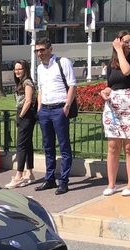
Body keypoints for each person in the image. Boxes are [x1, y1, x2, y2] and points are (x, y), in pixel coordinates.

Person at [99, 30, 130, 197]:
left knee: (129, 146)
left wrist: (119, 50)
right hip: (113, 106)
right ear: (118, 42)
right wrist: (105, 91)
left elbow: (126, 72)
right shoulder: (111, 64)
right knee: (113, 146)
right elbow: (111, 84)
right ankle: (111, 184)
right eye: (126, 41)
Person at [34, 37, 76, 195]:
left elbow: (72, 85)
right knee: (48, 146)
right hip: (45, 110)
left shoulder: (62, 62)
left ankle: (64, 181)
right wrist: (39, 108)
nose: (39, 53)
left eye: (42, 50)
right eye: (37, 51)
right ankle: (49, 178)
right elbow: (40, 89)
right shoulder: (39, 68)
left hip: (59, 109)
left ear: (50, 49)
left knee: (64, 146)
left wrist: (67, 106)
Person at [5, 59, 37, 189]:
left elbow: (28, 101)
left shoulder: (27, 82)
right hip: (25, 114)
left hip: (26, 114)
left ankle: (18, 176)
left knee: (21, 145)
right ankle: (29, 172)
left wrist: (21, 115)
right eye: (16, 69)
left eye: (20, 69)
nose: (17, 71)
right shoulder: (21, 83)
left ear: (26, 70)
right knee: (27, 144)